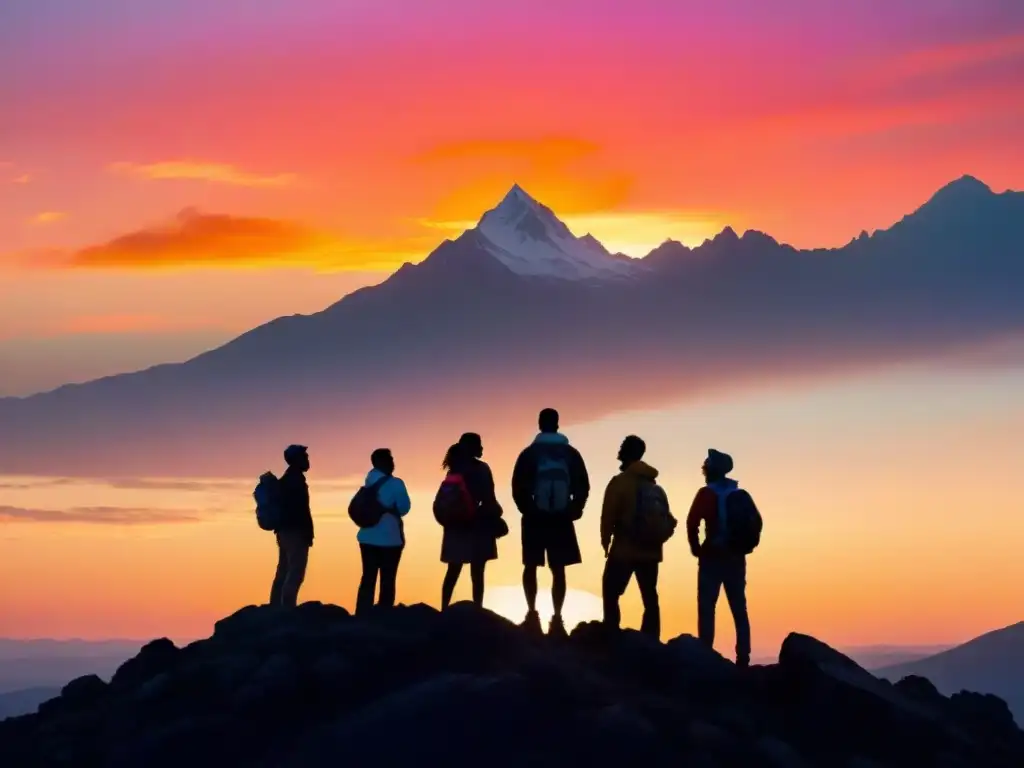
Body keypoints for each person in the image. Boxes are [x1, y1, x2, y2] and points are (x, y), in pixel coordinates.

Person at [511, 408, 590, 636]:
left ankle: (532, 614)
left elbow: (518, 486)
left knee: (530, 566)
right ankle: (557, 618)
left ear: (539, 424)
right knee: (559, 569)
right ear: (557, 424)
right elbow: (582, 485)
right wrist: (574, 509)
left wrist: (528, 510)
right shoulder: (570, 454)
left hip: (535, 517)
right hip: (562, 517)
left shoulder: (529, 453)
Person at [686, 449, 752, 667]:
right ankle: (743, 658)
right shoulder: (739, 494)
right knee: (738, 608)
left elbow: (692, 522)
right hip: (736, 557)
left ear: (710, 469)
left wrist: (696, 549)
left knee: (707, 607)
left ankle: (706, 655)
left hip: (712, 556)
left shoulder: (705, 494)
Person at [599, 435, 667, 638]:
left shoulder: (620, 483)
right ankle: (651, 639)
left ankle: (611, 634)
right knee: (649, 597)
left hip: (624, 549)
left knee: (611, 591)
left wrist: (605, 541)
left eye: (622, 447)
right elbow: (667, 518)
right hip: (651, 550)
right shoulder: (653, 485)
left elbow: (608, 515)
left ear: (625, 453)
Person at [440, 433, 503, 609]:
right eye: (479, 445)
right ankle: (478, 610)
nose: (482, 448)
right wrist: (497, 513)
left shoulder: (453, 470)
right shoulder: (482, 468)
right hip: (478, 524)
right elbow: (488, 497)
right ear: (473, 447)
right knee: (477, 572)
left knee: (453, 570)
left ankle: (444, 609)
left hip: (454, 526)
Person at [355, 448, 411, 616]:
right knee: (388, 578)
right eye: (390, 459)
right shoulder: (396, 483)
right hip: (390, 539)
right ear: (383, 462)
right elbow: (404, 508)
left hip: (366, 537)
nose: (393, 463)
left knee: (368, 578)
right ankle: (384, 616)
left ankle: (362, 615)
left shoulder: (369, 481)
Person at [269, 444, 314, 608]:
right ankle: (287, 608)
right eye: (305, 456)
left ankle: (276, 606)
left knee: (284, 570)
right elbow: (300, 510)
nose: (308, 459)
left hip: (285, 531)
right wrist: (306, 533)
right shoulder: (294, 480)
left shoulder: (289, 479)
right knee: (295, 572)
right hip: (295, 532)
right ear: (296, 460)